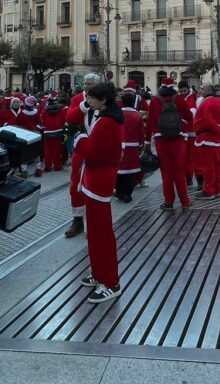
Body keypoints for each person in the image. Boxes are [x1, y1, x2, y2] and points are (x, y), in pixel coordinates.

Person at [80, 81, 124, 304]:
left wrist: (79, 140)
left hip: (99, 180)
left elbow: (93, 154)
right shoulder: (106, 119)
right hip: (96, 179)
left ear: (103, 100)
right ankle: (98, 273)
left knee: (102, 232)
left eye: (90, 97)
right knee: (95, 232)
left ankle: (111, 281)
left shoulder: (107, 123)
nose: (87, 101)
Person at [147, 77, 192, 210]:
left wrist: (146, 141)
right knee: (179, 170)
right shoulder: (178, 99)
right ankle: (185, 202)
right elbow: (189, 116)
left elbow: (150, 122)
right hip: (178, 138)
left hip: (161, 139)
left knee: (166, 172)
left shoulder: (155, 100)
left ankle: (168, 202)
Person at [193, 83, 220, 200]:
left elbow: (207, 120)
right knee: (216, 165)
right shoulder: (219, 101)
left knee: (208, 166)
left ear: (207, 91)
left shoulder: (206, 103)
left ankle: (208, 191)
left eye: (202, 88)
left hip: (206, 138)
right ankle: (217, 189)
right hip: (216, 139)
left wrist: (217, 129)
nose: (199, 90)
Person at [115, 91, 144, 202]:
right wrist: (141, 145)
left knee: (119, 171)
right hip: (133, 147)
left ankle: (119, 191)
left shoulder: (118, 113)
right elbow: (141, 132)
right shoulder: (137, 115)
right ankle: (127, 194)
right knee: (130, 172)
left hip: (119, 146)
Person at [41, 99, 67, 171]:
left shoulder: (45, 111)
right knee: (57, 150)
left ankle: (48, 166)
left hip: (47, 132)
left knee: (47, 151)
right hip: (58, 132)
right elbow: (63, 120)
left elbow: (42, 121)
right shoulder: (60, 110)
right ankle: (57, 166)